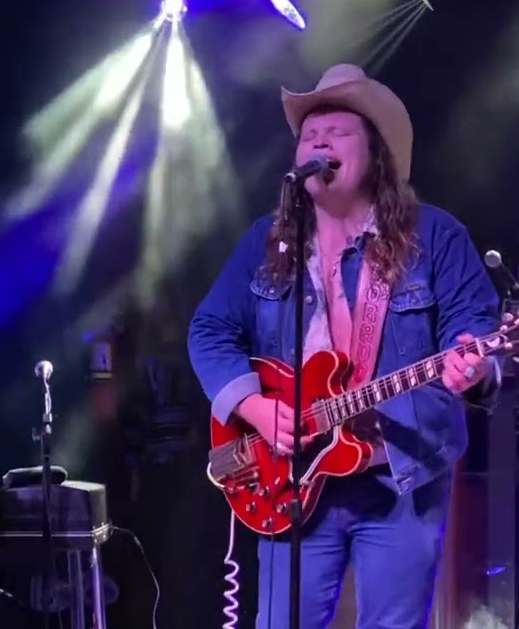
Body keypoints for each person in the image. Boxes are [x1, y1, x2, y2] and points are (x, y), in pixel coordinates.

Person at [188, 64, 502, 629]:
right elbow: (208, 329)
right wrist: (253, 406)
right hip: (292, 478)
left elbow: (473, 330)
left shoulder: (435, 237)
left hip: (402, 475)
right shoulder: (269, 242)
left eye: (338, 132)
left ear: (376, 154)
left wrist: (473, 366)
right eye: (310, 134)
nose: (319, 141)